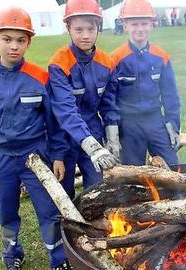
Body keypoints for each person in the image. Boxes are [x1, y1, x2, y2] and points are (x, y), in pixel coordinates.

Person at [0, 6, 72, 270]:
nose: (13, 46)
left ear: (29, 42)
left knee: (48, 210)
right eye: (7, 39)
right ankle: (12, 252)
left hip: (34, 157)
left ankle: (58, 259)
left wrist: (58, 156)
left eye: (20, 40)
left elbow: (55, 124)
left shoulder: (40, 78)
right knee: (5, 211)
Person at [48, 0, 119, 198]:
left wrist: (112, 138)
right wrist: (91, 147)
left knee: (96, 191)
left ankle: (93, 228)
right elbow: (65, 111)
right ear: (68, 28)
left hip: (94, 131)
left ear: (99, 27)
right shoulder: (59, 63)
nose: (85, 35)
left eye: (90, 28)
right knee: (65, 195)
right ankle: (68, 229)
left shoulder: (107, 62)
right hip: (64, 138)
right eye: (78, 29)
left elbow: (109, 103)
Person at [111, 0, 181, 166]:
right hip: (129, 124)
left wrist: (173, 125)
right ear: (125, 25)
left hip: (155, 120)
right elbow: (110, 100)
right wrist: (113, 133)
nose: (140, 29)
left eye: (144, 23)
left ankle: (173, 193)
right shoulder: (116, 58)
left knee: (171, 166)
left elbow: (170, 95)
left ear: (152, 24)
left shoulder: (161, 56)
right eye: (134, 24)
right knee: (133, 173)